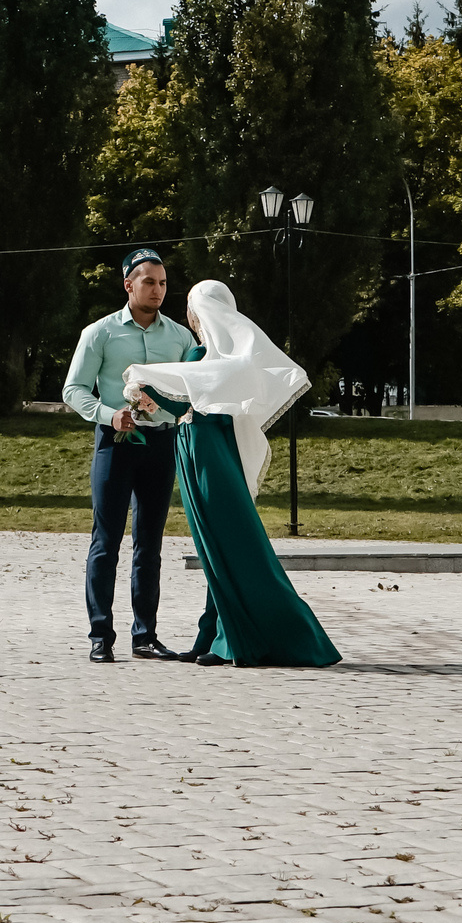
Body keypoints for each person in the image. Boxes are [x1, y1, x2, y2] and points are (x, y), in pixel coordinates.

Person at [124, 280, 341, 668]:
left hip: (202, 453)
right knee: (220, 545)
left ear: (199, 312)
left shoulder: (202, 356)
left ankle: (241, 637)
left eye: (191, 308)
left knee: (221, 544)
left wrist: (143, 393)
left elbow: (186, 408)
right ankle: (215, 636)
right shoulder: (235, 360)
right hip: (216, 451)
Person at [60, 249, 196, 663]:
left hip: (161, 445)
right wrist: (109, 414)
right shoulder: (99, 333)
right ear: (128, 285)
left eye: (163, 283)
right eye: (149, 282)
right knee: (106, 541)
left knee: (150, 544)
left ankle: (145, 636)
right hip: (114, 444)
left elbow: (192, 389)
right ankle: (100, 635)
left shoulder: (180, 337)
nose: (157, 290)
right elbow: (74, 390)